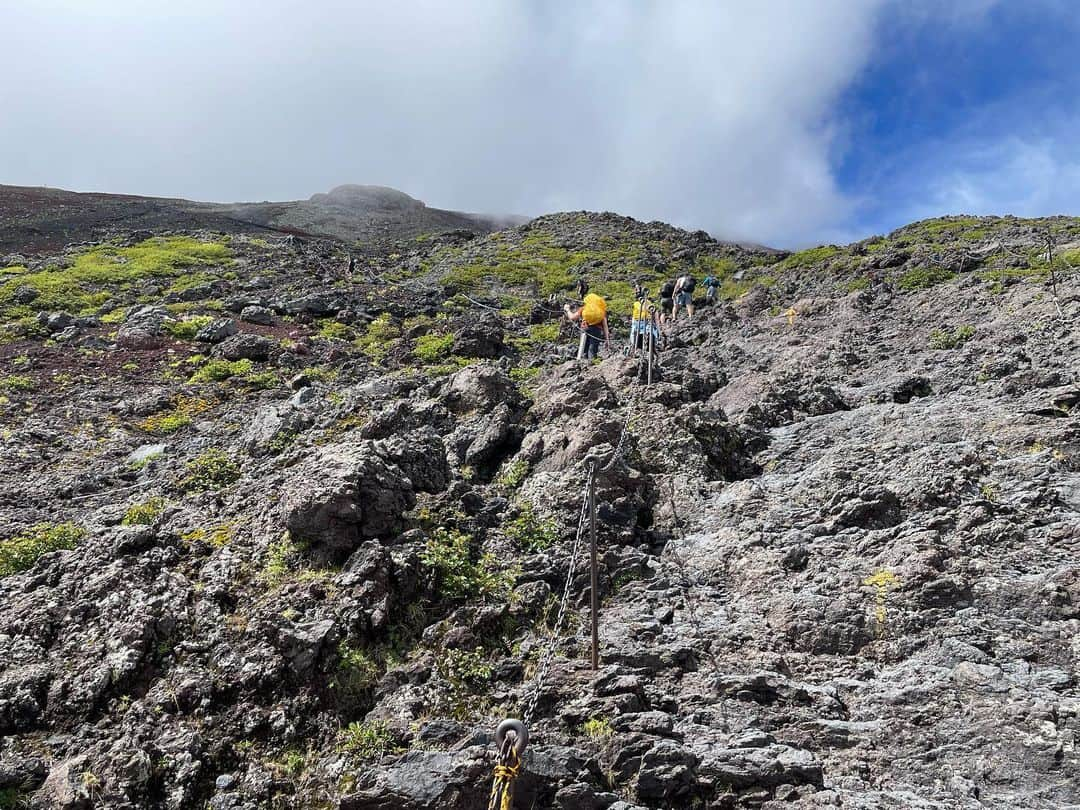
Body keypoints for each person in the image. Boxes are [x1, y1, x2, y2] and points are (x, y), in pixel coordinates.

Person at [565, 292, 609, 360]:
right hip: (596, 331)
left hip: (585, 328)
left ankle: (582, 362)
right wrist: (607, 340)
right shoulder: (601, 311)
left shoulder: (584, 308)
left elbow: (572, 317)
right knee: (593, 349)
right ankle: (592, 363)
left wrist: (567, 310)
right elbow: (605, 327)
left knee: (584, 347)